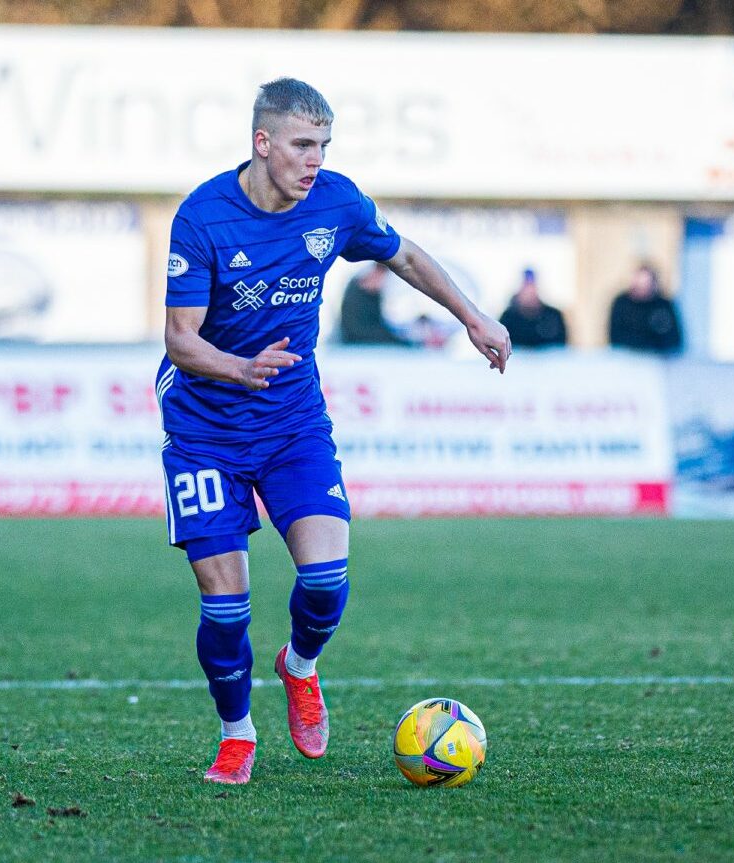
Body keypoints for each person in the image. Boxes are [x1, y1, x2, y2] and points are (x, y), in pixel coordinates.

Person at [156, 78, 511, 785]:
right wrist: (237, 367)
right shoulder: (203, 216)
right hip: (204, 430)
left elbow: (402, 255)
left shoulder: (337, 202)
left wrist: (472, 317)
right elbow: (179, 340)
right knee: (225, 608)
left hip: (291, 422)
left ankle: (300, 665)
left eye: (322, 145)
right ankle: (236, 736)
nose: (314, 159)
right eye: (300, 145)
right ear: (262, 144)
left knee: (325, 577)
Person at [608, 263, 683, 354]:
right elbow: (615, 337)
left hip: (658, 359)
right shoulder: (622, 303)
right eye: (639, 284)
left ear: (654, 284)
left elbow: (674, 339)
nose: (642, 288)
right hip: (626, 358)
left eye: (646, 284)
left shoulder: (663, 306)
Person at [338, 262, 412, 345]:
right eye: (381, 276)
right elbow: (358, 331)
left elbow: (378, 322)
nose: (383, 282)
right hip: (357, 345)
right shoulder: (355, 296)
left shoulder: (374, 294)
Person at [497, 267, 567, 349]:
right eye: (526, 286)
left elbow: (561, 347)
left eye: (531, 286)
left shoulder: (554, 315)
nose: (529, 291)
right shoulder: (507, 318)